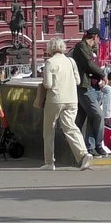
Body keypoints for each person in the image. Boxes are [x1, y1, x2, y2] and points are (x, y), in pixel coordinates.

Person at [40, 37, 93, 171]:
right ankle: (83, 154)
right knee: (70, 127)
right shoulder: (71, 61)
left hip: (55, 100)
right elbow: (77, 81)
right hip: (71, 99)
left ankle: (49, 162)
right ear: (63, 47)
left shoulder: (49, 63)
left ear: (50, 48)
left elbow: (48, 84)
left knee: (49, 130)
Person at [73, 27, 107, 156]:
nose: (99, 42)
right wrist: (102, 74)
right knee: (98, 115)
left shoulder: (88, 49)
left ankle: (88, 147)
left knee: (84, 118)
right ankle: (97, 145)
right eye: (99, 39)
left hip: (89, 87)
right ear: (95, 37)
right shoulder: (81, 47)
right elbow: (88, 65)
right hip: (83, 87)